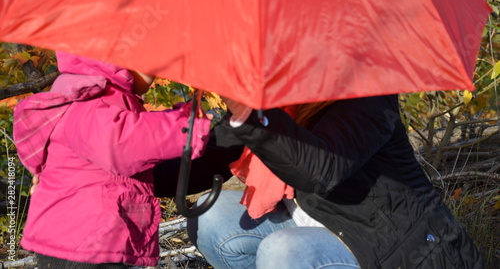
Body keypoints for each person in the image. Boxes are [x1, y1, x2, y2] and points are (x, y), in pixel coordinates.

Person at [187, 95, 484, 269]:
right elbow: (213, 156)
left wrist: (249, 115)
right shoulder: (280, 92)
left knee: (283, 251)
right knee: (210, 216)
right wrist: (144, 164)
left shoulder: (367, 92)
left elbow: (320, 170)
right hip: (317, 227)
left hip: (396, 250)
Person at [13, 52, 212, 268]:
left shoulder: (87, 90)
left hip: (76, 238)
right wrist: (187, 127)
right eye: (150, 62)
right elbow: (122, 144)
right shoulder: (94, 96)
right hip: (86, 241)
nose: (156, 73)